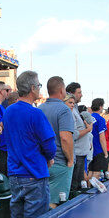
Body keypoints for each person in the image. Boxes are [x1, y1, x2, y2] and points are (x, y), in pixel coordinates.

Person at [3, 71, 56, 218]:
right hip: (34, 173)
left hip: (15, 173)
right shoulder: (35, 113)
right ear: (33, 88)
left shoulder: (9, 111)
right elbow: (49, 145)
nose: (39, 88)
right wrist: (49, 158)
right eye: (39, 85)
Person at [38, 76, 76, 206]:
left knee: (44, 202)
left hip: (43, 162)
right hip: (60, 162)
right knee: (55, 204)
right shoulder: (64, 109)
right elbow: (65, 138)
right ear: (61, 90)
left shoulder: (40, 108)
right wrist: (70, 160)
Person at [88, 98, 109, 185]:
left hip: (89, 148)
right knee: (96, 171)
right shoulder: (101, 119)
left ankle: (88, 187)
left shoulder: (88, 117)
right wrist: (105, 152)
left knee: (90, 171)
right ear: (100, 107)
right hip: (98, 149)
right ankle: (93, 189)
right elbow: (102, 137)